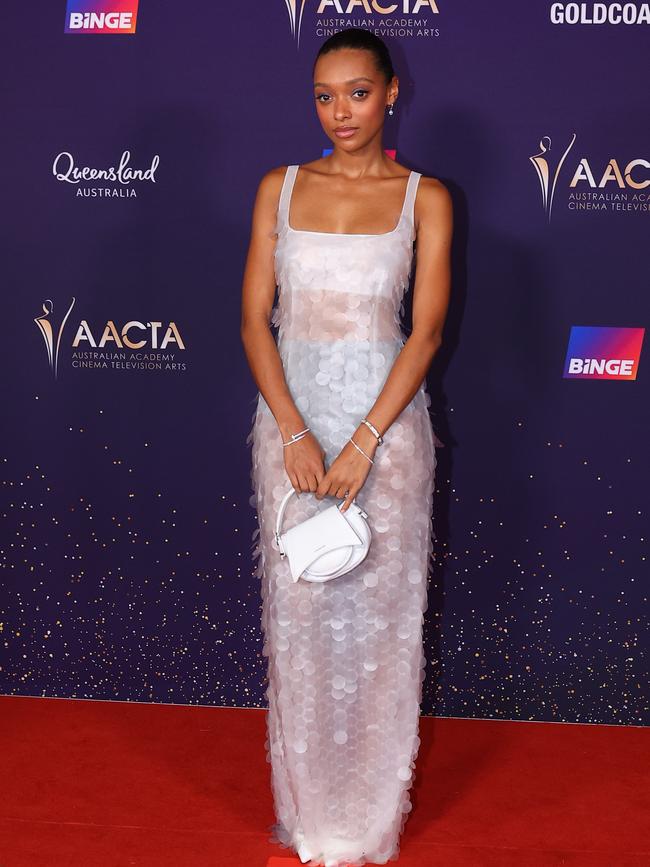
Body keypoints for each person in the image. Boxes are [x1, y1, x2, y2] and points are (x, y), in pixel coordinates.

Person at [240, 27, 452, 867]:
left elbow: (426, 331)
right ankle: (311, 812)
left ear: (391, 91)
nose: (341, 112)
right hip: (290, 427)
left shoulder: (424, 198)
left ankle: (365, 819)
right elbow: (255, 318)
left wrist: (366, 441)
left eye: (358, 93)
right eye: (326, 96)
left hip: (387, 434)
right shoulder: (279, 188)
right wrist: (293, 428)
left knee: (381, 624)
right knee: (299, 620)